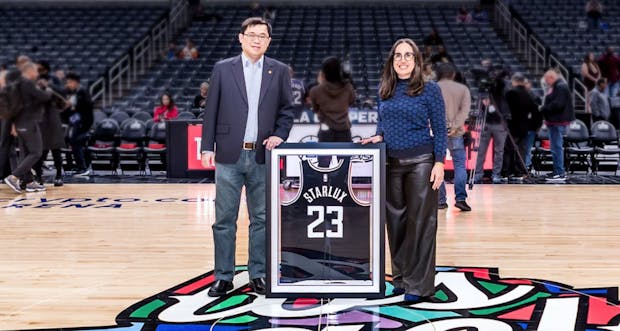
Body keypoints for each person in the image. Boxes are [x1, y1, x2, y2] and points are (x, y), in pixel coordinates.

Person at [199, 17, 294, 297]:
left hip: (262, 155)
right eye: (251, 34)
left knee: (262, 219)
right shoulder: (222, 69)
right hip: (229, 154)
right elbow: (211, 110)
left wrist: (280, 134)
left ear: (268, 41)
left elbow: (287, 110)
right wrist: (207, 147)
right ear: (241, 37)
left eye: (262, 36)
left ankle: (259, 274)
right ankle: (223, 276)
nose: (256, 39)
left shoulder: (278, 71)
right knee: (224, 219)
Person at [361, 38, 447, 302]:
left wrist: (440, 162)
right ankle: (401, 278)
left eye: (408, 55)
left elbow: (440, 128)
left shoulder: (429, 89)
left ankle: (419, 287)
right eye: (398, 55)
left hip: (421, 162)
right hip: (391, 163)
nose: (403, 59)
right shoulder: (385, 88)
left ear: (416, 60)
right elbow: (383, 122)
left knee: (420, 225)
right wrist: (378, 136)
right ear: (392, 60)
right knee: (396, 224)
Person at [4, 62, 52, 193]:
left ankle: (28, 181)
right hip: (28, 122)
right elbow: (43, 97)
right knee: (36, 152)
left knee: (25, 153)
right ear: (29, 71)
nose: (37, 74)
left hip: (20, 122)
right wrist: (47, 89)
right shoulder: (27, 83)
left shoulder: (18, 84)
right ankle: (13, 177)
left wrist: (13, 124)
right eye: (35, 71)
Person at [436, 63, 471, 211]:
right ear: (453, 75)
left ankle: (440, 200)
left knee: (437, 165)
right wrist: (454, 126)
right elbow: (464, 112)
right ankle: (461, 199)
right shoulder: (463, 89)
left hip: (438, 133)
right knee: (459, 166)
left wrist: (443, 126)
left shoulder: (433, 87)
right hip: (457, 133)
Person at [309, 56, 356, 165]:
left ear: (323, 72)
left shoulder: (315, 91)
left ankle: (324, 182)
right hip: (344, 130)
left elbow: (315, 109)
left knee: (323, 165)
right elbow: (352, 101)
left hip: (326, 131)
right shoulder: (348, 88)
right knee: (344, 164)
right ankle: (343, 182)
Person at [34, 61, 66, 187]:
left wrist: (49, 86)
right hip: (39, 118)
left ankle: (59, 175)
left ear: (46, 69)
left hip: (52, 117)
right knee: (39, 150)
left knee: (56, 149)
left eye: (40, 69)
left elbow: (63, 95)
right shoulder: (34, 80)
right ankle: (38, 175)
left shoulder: (53, 79)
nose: (38, 71)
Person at [540, 69, 574, 181]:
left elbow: (558, 104)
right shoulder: (558, 86)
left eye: (546, 80)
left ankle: (559, 172)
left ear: (551, 77)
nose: (546, 82)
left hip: (557, 122)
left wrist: (543, 109)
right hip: (554, 122)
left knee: (556, 147)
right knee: (555, 147)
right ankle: (557, 170)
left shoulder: (560, 86)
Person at [503, 73, 538, 180]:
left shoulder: (510, 93)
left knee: (508, 149)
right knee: (521, 150)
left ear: (515, 81)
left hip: (512, 125)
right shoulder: (529, 94)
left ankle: (506, 172)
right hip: (524, 127)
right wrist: (533, 126)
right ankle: (519, 172)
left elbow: (505, 108)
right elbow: (535, 111)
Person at [63, 73, 94, 177]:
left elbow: (87, 106)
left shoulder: (83, 92)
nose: (67, 85)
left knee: (75, 143)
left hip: (83, 122)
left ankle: (83, 168)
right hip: (77, 122)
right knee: (75, 143)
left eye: (69, 82)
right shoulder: (74, 92)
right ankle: (81, 166)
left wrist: (73, 104)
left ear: (74, 82)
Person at [473, 97, 508, 184]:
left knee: (499, 151)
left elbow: (505, 110)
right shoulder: (484, 94)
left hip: (499, 124)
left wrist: (492, 106)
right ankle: (478, 174)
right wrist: (483, 104)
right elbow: (478, 111)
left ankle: (496, 174)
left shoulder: (501, 93)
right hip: (486, 123)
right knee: (481, 150)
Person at [524, 79, 543, 172]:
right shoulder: (519, 96)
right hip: (521, 127)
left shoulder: (535, 97)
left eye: (527, 83)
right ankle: (521, 166)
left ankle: (526, 166)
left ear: (530, 84)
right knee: (522, 148)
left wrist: (538, 126)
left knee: (527, 148)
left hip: (531, 127)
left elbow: (539, 114)